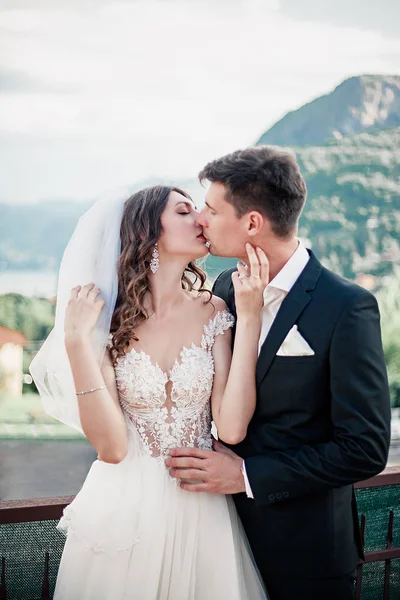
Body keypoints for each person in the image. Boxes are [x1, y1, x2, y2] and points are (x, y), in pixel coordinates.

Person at [166, 147, 391, 600]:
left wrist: (247, 475)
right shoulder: (225, 288)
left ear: (251, 223)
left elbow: (364, 450)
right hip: (216, 540)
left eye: (212, 208)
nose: (202, 219)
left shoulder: (345, 307)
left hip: (306, 557)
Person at [30, 185, 270, 600]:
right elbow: (112, 448)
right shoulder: (107, 324)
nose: (199, 219)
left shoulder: (214, 311)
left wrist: (248, 318)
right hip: (124, 511)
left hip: (201, 507)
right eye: (183, 211)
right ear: (147, 232)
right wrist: (76, 343)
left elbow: (230, 429)